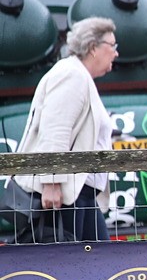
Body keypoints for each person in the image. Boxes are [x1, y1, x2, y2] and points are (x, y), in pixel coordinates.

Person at [11, 16, 117, 241]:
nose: (116, 53)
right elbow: (55, 130)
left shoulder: (79, 75)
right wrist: (51, 183)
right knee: (72, 265)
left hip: (81, 193)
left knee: (100, 262)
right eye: (112, 45)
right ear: (93, 48)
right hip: (65, 197)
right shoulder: (71, 74)